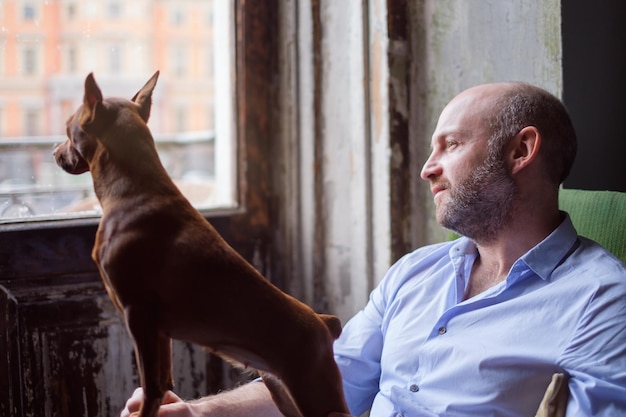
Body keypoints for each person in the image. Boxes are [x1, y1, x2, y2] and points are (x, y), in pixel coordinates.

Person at [121, 82, 626, 417]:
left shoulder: (601, 300)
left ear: (521, 150)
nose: (428, 168)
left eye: (450, 145)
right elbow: (323, 381)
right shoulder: (416, 273)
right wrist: (195, 413)